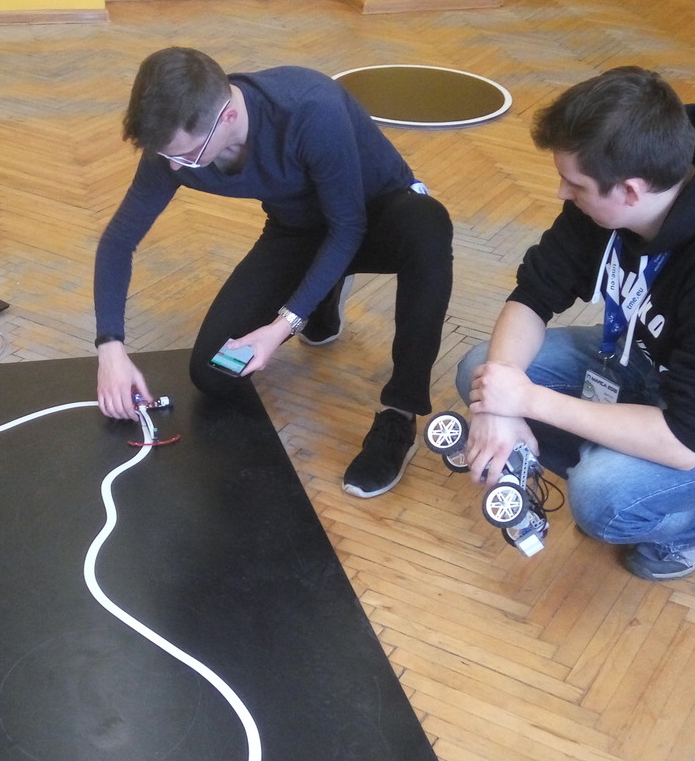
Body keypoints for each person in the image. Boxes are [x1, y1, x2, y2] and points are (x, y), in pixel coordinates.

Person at [456, 66, 695, 579]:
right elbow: (533, 295)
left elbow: (683, 440)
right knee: (481, 369)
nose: (561, 193)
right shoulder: (610, 189)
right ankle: (622, 452)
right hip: (649, 358)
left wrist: (524, 401)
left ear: (631, 192)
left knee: (603, 498)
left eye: (574, 184)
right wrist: (499, 404)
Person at [93, 47, 454, 497]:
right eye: (167, 155)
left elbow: (348, 227)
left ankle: (400, 412)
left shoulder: (310, 107)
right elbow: (119, 241)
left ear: (227, 117)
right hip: (298, 230)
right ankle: (322, 292)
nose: (173, 167)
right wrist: (111, 348)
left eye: (185, 156)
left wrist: (283, 324)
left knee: (429, 227)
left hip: (376, 215)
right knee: (213, 372)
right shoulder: (175, 145)